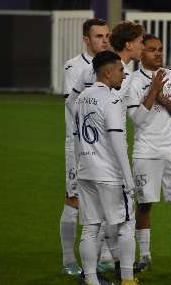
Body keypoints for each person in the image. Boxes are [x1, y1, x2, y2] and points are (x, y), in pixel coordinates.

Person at [126, 34, 171, 272]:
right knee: (145, 204)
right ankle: (144, 256)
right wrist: (153, 91)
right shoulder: (132, 81)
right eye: (151, 50)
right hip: (145, 150)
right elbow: (136, 119)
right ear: (142, 53)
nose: (158, 53)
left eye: (160, 49)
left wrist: (161, 97)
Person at [74, 50, 137, 285]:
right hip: (109, 174)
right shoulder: (111, 99)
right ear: (108, 72)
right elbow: (117, 140)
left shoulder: (82, 97)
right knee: (126, 225)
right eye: (120, 70)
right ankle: (128, 279)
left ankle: (91, 281)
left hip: (86, 171)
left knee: (90, 229)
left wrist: (76, 170)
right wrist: (128, 179)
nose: (123, 74)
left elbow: (76, 136)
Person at [61, 18, 109, 276]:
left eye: (107, 35)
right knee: (74, 200)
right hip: (79, 146)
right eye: (99, 36)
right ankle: (69, 260)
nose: (104, 40)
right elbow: (74, 103)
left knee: (103, 201)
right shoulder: (74, 67)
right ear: (86, 40)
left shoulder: (112, 65)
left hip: (106, 147)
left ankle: (99, 256)